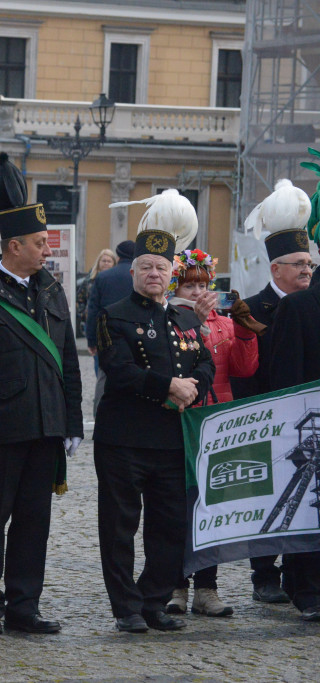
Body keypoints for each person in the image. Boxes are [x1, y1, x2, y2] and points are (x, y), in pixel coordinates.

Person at [0, 153, 83, 635]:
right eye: (38, 243)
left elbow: (68, 361)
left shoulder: (52, 293)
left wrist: (71, 421)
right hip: (2, 432)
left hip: (45, 428)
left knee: (34, 525)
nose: (46, 250)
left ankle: (24, 605)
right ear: (12, 246)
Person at [95, 190, 214, 633]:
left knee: (170, 526)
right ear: (134, 271)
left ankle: (154, 600)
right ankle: (126, 607)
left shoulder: (185, 319)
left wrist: (190, 390)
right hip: (124, 439)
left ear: (170, 274)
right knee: (120, 528)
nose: (153, 274)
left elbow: (206, 361)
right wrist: (166, 385)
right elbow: (118, 368)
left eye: (161, 268)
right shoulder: (115, 314)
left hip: (169, 439)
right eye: (146, 266)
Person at [162, 248, 262, 618]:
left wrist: (247, 334)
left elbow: (244, 369)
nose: (198, 292)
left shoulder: (222, 321)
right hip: (181, 421)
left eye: (203, 285)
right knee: (177, 508)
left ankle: (207, 587)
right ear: (176, 286)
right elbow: (180, 363)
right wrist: (195, 323)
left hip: (218, 424)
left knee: (211, 506)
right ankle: (176, 586)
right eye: (189, 285)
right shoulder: (168, 319)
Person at [232, 187, 316, 603]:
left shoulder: (312, 306)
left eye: (310, 263)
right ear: (276, 268)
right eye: (299, 264)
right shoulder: (250, 307)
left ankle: (297, 574)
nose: (307, 270)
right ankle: (263, 574)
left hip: (305, 419)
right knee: (267, 496)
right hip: (264, 412)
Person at [267, 252, 320, 622]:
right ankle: (306, 588)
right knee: (308, 508)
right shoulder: (299, 306)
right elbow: (285, 378)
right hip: (311, 427)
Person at [86, 240, 135, 413]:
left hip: (106, 336)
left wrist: (92, 340)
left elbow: (92, 311)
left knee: (104, 376)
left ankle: (99, 414)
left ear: (118, 255)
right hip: (135, 336)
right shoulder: (139, 276)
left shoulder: (103, 277)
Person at [77, 248, 117, 338]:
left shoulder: (116, 280)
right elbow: (80, 297)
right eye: (104, 261)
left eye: (109, 261)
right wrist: (84, 314)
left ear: (114, 263)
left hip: (111, 321)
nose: (106, 263)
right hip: (93, 321)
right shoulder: (90, 279)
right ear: (99, 262)